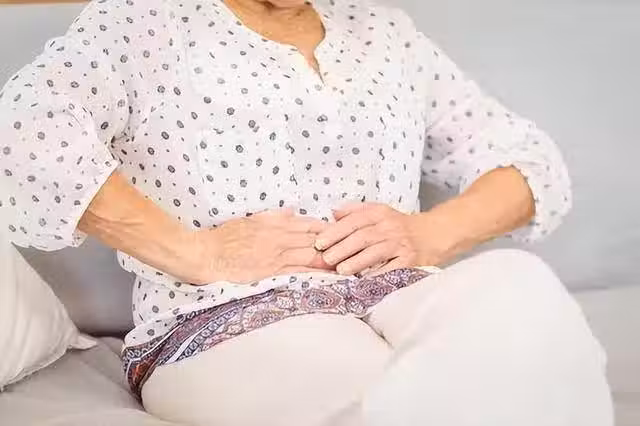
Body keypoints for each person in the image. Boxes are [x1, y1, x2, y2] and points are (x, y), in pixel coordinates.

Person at [0, 0, 612, 425]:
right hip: (228, 319)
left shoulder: (386, 32)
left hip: (401, 293)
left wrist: (430, 232)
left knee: (518, 285)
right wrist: (196, 251)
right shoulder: (142, 22)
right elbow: (22, 134)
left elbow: (528, 161)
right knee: (388, 398)